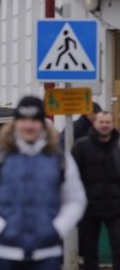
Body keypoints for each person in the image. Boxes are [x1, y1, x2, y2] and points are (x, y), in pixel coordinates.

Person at [0, 96, 87, 270]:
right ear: (15, 123)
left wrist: (58, 229)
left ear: (42, 123)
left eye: (34, 120)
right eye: (23, 120)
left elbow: (76, 199)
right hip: (5, 254)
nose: (29, 126)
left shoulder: (60, 158)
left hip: (47, 254)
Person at [72, 111, 120, 270]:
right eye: (101, 122)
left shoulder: (117, 146)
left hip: (115, 206)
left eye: (108, 122)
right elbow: (73, 175)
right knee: (89, 249)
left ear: (113, 124)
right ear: (94, 123)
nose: (104, 125)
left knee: (118, 244)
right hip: (89, 206)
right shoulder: (81, 146)